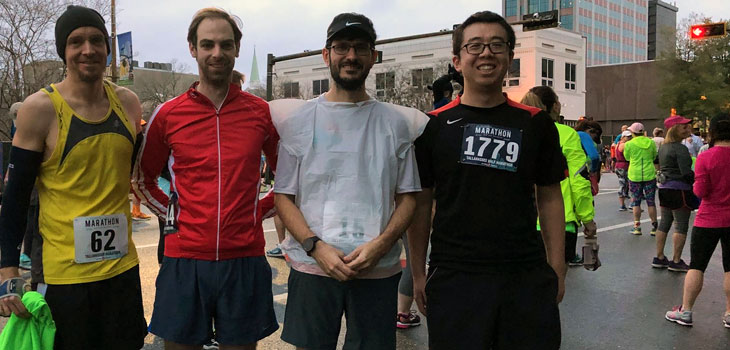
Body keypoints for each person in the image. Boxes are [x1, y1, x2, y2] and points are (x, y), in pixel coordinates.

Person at [409, 11, 567, 350]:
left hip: (524, 272)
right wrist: (419, 272)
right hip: (454, 274)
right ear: (457, 60)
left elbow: (550, 196)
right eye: (475, 45)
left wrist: (557, 266)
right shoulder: (432, 127)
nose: (486, 53)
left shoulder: (536, 123)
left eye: (498, 45)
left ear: (510, 56)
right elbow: (421, 203)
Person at [271, 13, 428, 350]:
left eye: (360, 48)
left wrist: (382, 245)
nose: (351, 56)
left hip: (378, 267)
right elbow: (283, 195)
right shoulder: (298, 120)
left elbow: (409, 197)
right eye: (342, 47)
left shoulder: (397, 123)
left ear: (374, 56)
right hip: (313, 266)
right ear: (326, 55)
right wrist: (315, 247)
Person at [0, 5, 147, 349]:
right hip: (64, 277)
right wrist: (8, 271)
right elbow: (16, 198)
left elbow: (124, 174)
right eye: (76, 41)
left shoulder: (129, 104)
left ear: (108, 48)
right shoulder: (40, 109)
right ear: (62, 52)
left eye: (97, 40)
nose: (88, 49)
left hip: (121, 271)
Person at [132, 8, 279, 349]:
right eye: (207, 44)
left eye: (225, 45)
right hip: (184, 259)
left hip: (243, 257)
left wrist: (259, 211)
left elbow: (288, 177)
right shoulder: (168, 114)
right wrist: (175, 218)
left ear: (237, 49)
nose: (217, 53)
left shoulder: (260, 112)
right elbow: (142, 179)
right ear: (192, 48)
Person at [665, 113, 730, 328]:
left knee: (697, 266)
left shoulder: (706, 156)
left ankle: (686, 312)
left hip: (708, 219)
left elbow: (701, 191)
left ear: (712, 132)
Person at [522, 87, 596, 267]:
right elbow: (579, 178)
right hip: (560, 221)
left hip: (521, 222)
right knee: (555, 285)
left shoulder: (519, 130)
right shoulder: (566, 134)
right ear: (555, 106)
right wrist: (587, 218)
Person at [653, 115, 695, 272]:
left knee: (665, 222)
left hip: (664, 188)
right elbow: (686, 173)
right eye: (684, 127)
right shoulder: (681, 149)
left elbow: (656, 162)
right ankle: (676, 260)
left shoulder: (663, 147)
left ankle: (659, 257)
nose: (688, 129)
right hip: (680, 189)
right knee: (681, 225)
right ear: (675, 129)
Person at [623, 122, 659, 235]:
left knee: (636, 202)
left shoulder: (629, 144)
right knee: (651, 201)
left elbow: (627, 157)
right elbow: (654, 156)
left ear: (633, 132)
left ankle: (637, 227)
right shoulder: (651, 142)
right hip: (649, 174)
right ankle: (654, 227)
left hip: (635, 175)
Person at [616, 130, 633, 211]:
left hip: (618, 165)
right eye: (628, 137)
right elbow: (629, 155)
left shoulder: (617, 144)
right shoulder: (625, 145)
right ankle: (631, 204)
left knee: (622, 184)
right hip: (625, 165)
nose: (629, 138)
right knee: (629, 184)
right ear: (623, 137)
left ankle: (622, 205)